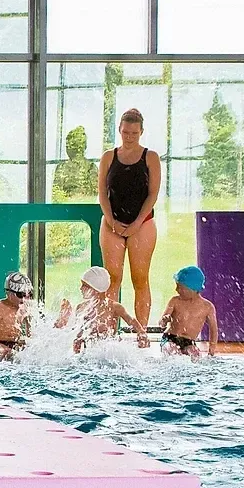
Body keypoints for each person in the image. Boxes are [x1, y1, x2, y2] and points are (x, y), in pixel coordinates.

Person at [99, 108, 161, 328]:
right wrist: (111, 221)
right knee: (111, 280)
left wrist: (135, 224)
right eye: (126, 132)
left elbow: (153, 194)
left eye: (134, 133)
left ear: (141, 132)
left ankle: (141, 332)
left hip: (142, 224)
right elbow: (102, 194)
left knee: (140, 279)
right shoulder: (108, 157)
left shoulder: (151, 157)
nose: (129, 137)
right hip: (111, 223)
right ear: (119, 130)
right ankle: (108, 332)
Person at [55, 266, 149, 352]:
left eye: (84, 285)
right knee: (65, 328)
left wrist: (141, 332)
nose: (80, 288)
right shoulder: (81, 307)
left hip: (109, 352)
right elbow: (78, 335)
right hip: (89, 353)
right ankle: (63, 318)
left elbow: (131, 320)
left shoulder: (114, 307)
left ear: (96, 288)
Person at [159, 266, 218, 359]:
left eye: (180, 287)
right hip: (170, 338)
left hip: (189, 342)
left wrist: (211, 351)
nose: (176, 290)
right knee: (172, 351)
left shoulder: (208, 307)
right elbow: (161, 324)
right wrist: (164, 320)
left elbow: (213, 330)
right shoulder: (175, 301)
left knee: (196, 356)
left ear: (193, 289)